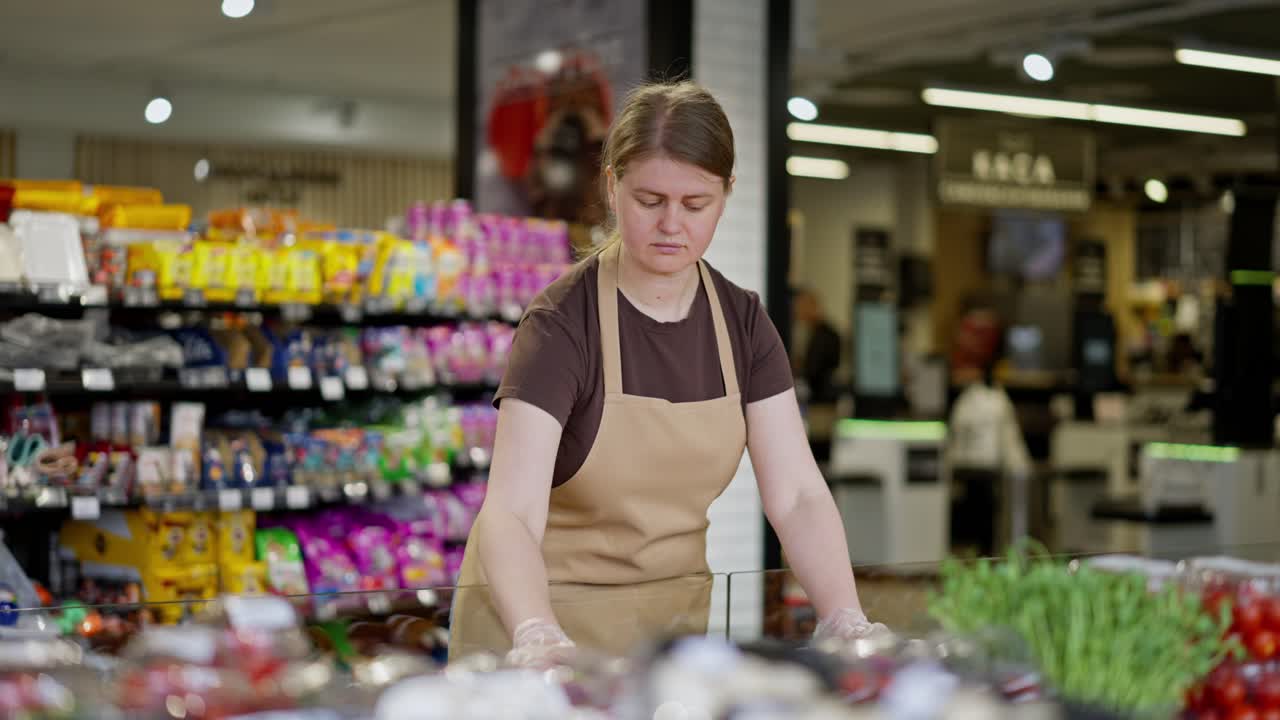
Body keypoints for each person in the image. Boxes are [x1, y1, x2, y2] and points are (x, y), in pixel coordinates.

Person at [449, 80, 884, 665]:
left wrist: (844, 616)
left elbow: (798, 496)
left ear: (726, 194)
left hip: (665, 636)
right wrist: (535, 632)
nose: (671, 224)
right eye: (650, 201)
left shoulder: (743, 324)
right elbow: (511, 511)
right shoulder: (560, 324)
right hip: (537, 630)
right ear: (612, 187)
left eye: (695, 204)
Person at [792, 287, 843, 404]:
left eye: (801, 307)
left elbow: (814, 370)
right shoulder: (815, 332)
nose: (798, 312)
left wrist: (799, 367)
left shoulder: (825, 335)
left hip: (821, 399)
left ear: (813, 307)